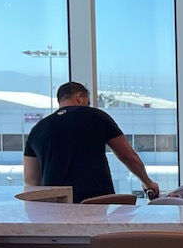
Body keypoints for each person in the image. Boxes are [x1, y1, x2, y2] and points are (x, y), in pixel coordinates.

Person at [22, 81, 160, 203]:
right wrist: (148, 183)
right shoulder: (96, 117)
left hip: (57, 206)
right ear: (79, 97)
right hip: (96, 200)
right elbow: (128, 156)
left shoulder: (37, 130)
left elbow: (31, 180)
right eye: (88, 102)